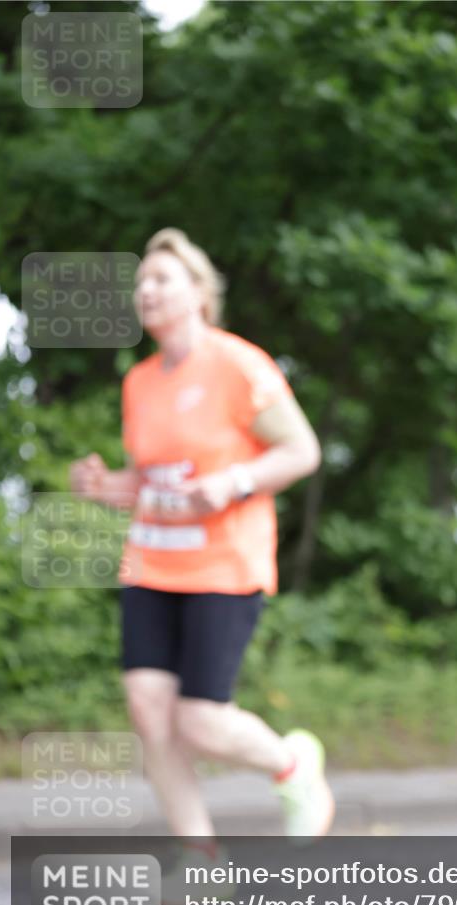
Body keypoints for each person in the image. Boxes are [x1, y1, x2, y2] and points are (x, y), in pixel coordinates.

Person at [69, 228, 335, 856]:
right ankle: (200, 859)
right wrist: (108, 484)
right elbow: (158, 478)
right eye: (140, 283)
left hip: (223, 564)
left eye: (161, 278)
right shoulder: (139, 382)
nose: (146, 291)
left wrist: (236, 481)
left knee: (201, 720)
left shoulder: (238, 364)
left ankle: (293, 764)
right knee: (148, 711)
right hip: (152, 562)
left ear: (200, 292)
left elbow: (302, 451)